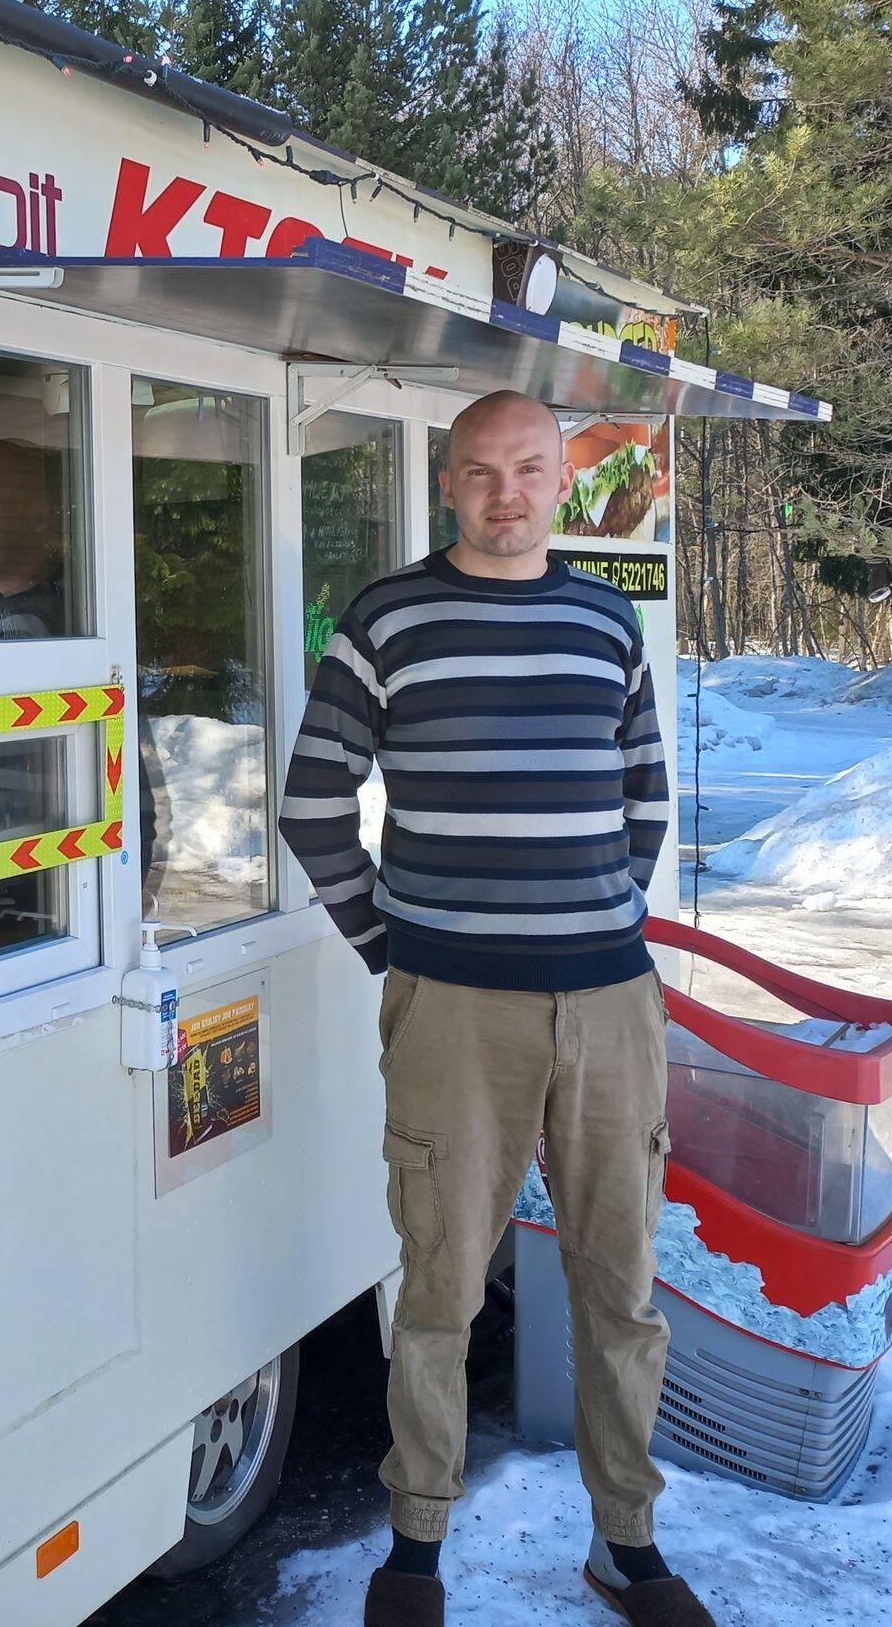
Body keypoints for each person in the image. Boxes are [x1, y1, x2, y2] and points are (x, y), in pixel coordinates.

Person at [280, 390, 712, 1627]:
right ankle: (416, 1549)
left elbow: (645, 797)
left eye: (530, 469)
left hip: (612, 1007)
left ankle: (626, 1544)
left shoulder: (603, 617)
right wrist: (397, 956)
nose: (506, 493)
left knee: (620, 1288)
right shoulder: (390, 620)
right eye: (480, 471)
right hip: (454, 1014)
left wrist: (593, 924)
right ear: (448, 483)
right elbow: (314, 805)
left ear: (560, 481)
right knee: (439, 1288)